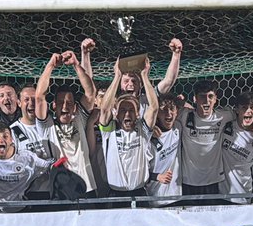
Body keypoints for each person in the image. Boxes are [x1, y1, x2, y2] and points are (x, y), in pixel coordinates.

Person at [35, 50, 98, 194]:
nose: (65, 106)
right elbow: (39, 97)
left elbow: (90, 93)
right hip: (62, 192)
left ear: (75, 107)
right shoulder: (47, 126)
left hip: (87, 188)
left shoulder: (79, 120)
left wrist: (76, 64)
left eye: (69, 103)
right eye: (61, 102)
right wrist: (50, 66)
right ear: (54, 106)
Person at [98, 58, 158, 196]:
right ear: (116, 114)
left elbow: (154, 107)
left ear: (137, 114)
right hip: (115, 194)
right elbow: (104, 109)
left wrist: (144, 76)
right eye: (123, 110)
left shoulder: (142, 130)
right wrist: (117, 76)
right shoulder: (109, 130)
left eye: (131, 110)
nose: (127, 113)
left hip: (139, 193)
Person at [0, 123, 58, 206]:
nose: (1, 140)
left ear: (12, 139)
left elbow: (50, 166)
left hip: (17, 210)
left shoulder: (27, 159)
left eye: (5, 136)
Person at [178, 80, 233, 197]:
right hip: (188, 180)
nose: (207, 100)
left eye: (210, 96)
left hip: (214, 180)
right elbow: (164, 110)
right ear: (195, 99)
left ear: (215, 99)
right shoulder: (184, 115)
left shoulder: (224, 116)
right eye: (202, 96)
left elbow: (245, 119)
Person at [218, 89, 253, 199]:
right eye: (244, 107)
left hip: (244, 194)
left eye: (252, 107)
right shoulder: (225, 126)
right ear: (237, 110)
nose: (248, 111)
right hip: (221, 193)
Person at [146, 94, 181, 200]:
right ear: (157, 113)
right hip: (155, 197)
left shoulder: (178, 128)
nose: (169, 113)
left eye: (172, 109)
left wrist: (182, 101)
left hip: (177, 195)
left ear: (177, 112)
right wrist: (157, 177)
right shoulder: (149, 138)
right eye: (164, 110)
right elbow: (140, 172)